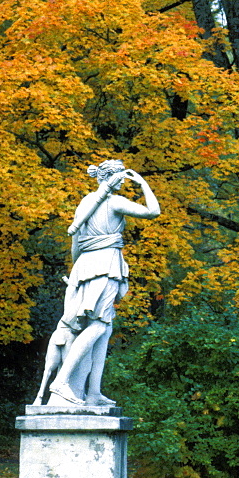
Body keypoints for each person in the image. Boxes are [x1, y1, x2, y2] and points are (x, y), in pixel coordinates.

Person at [44, 160, 160, 406]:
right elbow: (153, 211)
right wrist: (143, 184)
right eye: (120, 178)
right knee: (97, 326)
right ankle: (61, 382)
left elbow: (76, 244)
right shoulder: (113, 202)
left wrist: (76, 276)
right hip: (105, 265)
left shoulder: (85, 203)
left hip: (84, 267)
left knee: (104, 328)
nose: (122, 182)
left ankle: (93, 392)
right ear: (110, 179)